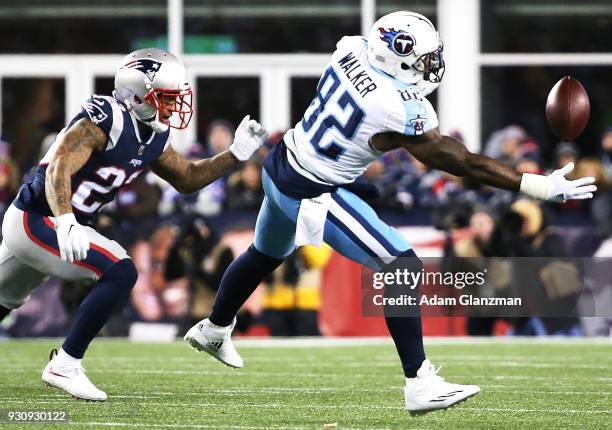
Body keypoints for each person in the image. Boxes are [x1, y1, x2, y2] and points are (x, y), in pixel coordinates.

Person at [183, 11, 597, 413]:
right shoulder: (397, 106)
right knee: (402, 265)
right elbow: (461, 161)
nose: (430, 66)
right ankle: (419, 382)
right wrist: (538, 184)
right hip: (311, 189)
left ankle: (214, 328)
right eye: (421, 59)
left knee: (264, 254)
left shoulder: (350, 49)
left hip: (283, 162)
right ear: (396, 56)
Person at [0, 48, 267, 401]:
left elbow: (186, 177)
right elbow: (59, 165)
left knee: (4, 297)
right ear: (137, 94)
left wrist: (234, 155)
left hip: (54, 224)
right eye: (166, 98)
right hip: (40, 218)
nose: (174, 107)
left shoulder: (153, 134)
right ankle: (65, 364)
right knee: (121, 271)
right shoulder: (106, 117)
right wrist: (65, 219)